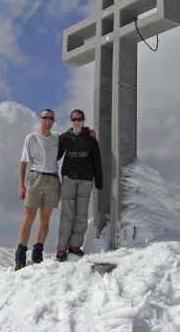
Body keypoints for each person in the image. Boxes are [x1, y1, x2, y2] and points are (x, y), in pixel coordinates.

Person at [15, 109, 61, 270]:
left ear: (53, 121)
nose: (47, 120)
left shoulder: (57, 138)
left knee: (45, 218)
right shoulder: (31, 138)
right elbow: (23, 163)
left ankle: (38, 251)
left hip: (53, 179)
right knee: (28, 217)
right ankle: (21, 252)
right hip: (35, 178)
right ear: (39, 119)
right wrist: (22, 185)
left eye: (51, 118)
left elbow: (72, 137)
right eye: (44, 118)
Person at [55, 109, 102, 261]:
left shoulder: (90, 138)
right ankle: (62, 248)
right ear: (71, 121)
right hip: (69, 179)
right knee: (67, 214)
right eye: (74, 119)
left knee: (81, 214)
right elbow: (56, 156)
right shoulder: (64, 138)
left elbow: (97, 160)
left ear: (83, 120)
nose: (77, 122)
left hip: (86, 180)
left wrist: (99, 182)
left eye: (79, 119)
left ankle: (75, 245)